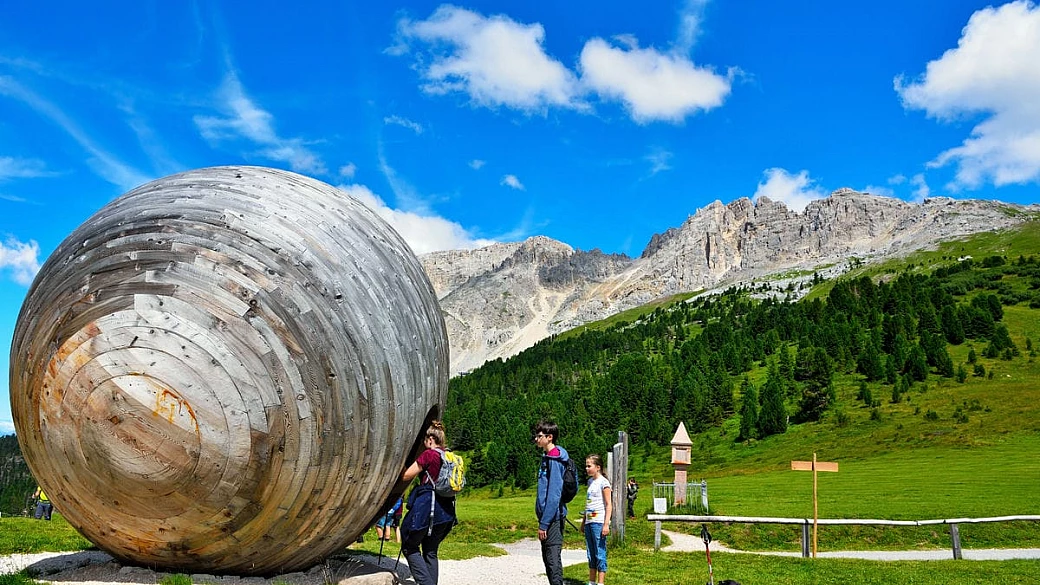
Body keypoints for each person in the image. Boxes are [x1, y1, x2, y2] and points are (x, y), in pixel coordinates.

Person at [399, 421, 457, 585]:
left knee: (409, 545)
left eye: (425, 440)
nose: (424, 443)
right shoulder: (448, 455)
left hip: (427, 510)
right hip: (446, 512)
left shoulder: (429, 455)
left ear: (431, 439)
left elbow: (406, 476)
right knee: (431, 551)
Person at [533, 420, 571, 585]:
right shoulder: (547, 457)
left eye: (539, 436)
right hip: (548, 518)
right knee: (548, 560)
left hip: (553, 518)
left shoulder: (555, 459)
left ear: (549, 437)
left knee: (552, 559)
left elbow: (554, 494)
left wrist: (544, 523)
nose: (536, 439)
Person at [582, 455, 612, 585]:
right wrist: (583, 522)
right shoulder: (590, 482)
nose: (587, 468)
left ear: (598, 467)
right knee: (591, 552)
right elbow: (588, 504)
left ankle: (601, 582)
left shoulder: (604, 482)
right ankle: (591, 582)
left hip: (599, 522)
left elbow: (608, 504)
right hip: (589, 522)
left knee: (599, 552)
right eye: (586, 465)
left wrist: (606, 524)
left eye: (589, 466)